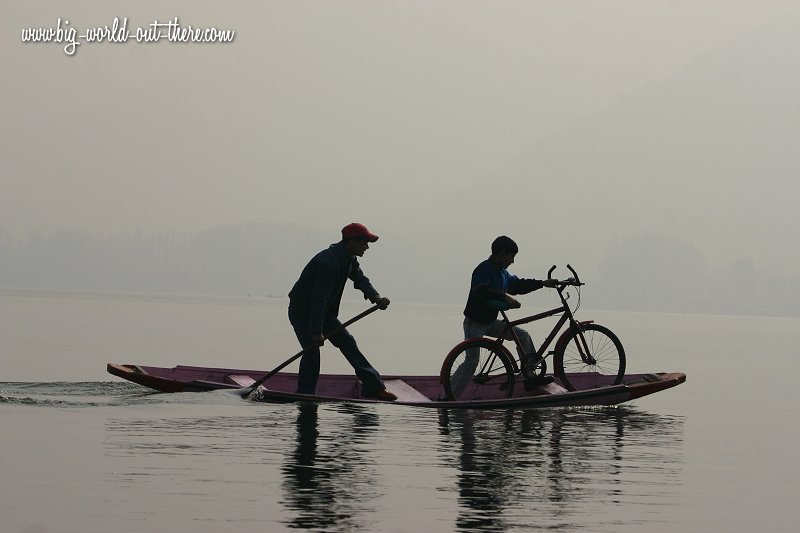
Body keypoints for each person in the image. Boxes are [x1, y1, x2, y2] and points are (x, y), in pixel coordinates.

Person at [288, 222, 397, 401]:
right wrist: (316, 332)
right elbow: (318, 299)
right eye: (365, 243)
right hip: (302, 313)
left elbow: (361, 279)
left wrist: (376, 297)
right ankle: (305, 394)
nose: (367, 247)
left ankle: (373, 386)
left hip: (323, 313)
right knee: (312, 353)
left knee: (347, 342)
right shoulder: (328, 262)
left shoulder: (348, 259)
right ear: (352, 242)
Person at [453, 236, 557, 396]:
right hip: (474, 323)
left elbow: (519, 285)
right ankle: (448, 395)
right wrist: (504, 296)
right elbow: (480, 291)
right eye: (511, 257)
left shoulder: (503, 273)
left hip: (491, 322)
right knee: (471, 362)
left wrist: (542, 283)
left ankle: (530, 377)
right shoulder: (483, 269)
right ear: (502, 254)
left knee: (522, 335)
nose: (512, 261)